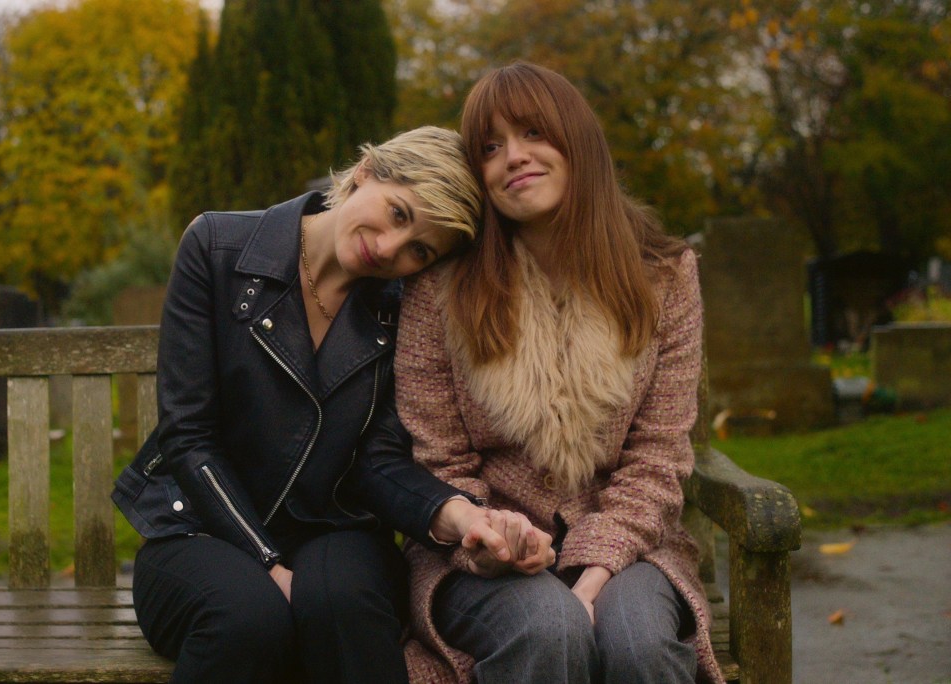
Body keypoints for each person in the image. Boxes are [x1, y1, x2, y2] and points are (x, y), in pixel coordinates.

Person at [112, 125, 553, 684]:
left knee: (341, 605)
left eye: (420, 248)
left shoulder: (404, 307)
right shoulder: (218, 247)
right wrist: (267, 563)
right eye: (398, 212)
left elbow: (378, 461)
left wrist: (465, 516)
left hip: (336, 531)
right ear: (366, 172)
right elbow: (188, 436)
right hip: (197, 529)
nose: (392, 249)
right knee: (247, 618)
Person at [394, 64, 727, 684]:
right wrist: (494, 538)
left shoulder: (663, 276)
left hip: (631, 543)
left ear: (576, 139)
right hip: (476, 550)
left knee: (640, 646)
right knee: (547, 632)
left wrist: (592, 575)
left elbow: (657, 457)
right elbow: (435, 460)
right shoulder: (441, 290)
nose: (513, 158)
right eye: (489, 148)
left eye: (532, 133)